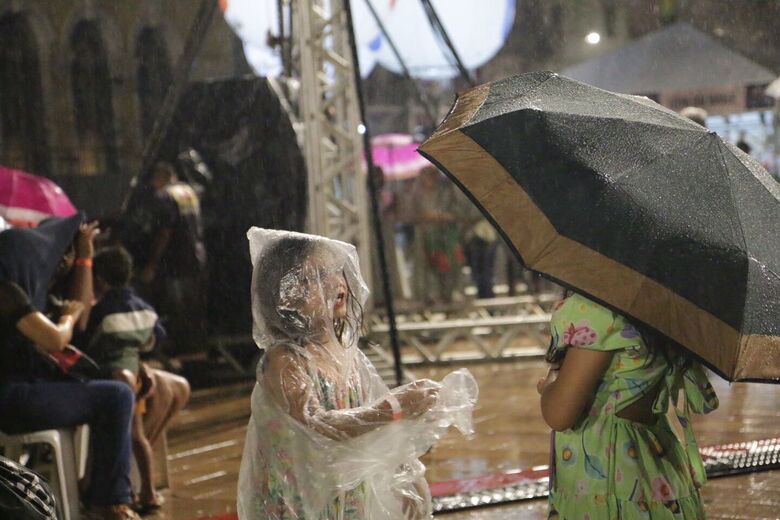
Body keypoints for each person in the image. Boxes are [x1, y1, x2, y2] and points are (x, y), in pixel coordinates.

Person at [237, 228, 478, 520]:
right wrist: (396, 407)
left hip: (345, 497)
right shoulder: (286, 360)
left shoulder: (348, 356)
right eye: (315, 278)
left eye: (334, 271)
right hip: (295, 500)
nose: (335, 283)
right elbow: (317, 425)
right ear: (285, 297)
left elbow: (371, 422)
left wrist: (404, 474)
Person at [0, 215, 140, 520]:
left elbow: (81, 313)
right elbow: (55, 338)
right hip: (11, 398)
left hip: (21, 391)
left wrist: (84, 258)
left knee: (113, 388)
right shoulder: (6, 291)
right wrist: (67, 317)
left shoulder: (28, 287)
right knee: (116, 397)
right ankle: (109, 501)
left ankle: (102, 494)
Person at [537, 292, 719, 519]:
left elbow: (559, 414)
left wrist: (550, 385)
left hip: (606, 471)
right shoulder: (666, 307)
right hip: (656, 460)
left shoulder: (599, 310)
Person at [80, 246, 167, 513]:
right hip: (135, 376)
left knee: (116, 436)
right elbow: (157, 336)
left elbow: (85, 342)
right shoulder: (143, 308)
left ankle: (115, 491)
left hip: (113, 379)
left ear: (99, 279)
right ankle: (149, 491)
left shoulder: (102, 311)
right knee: (138, 436)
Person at [138, 161, 207, 354]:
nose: (152, 186)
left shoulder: (165, 196)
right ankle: (196, 344)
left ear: (160, 178)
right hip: (196, 256)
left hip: (177, 259)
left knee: (176, 305)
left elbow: (165, 231)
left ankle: (180, 347)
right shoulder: (189, 192)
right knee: (193, 304)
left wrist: (152, 264)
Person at [411, 166, 466, 304]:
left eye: (432, 176)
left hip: (444, 235)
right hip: (425, 235)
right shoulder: (416, 195)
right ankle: (427, 296)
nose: (429, 179)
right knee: (426, 266)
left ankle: (448, 294)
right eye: (426, 176)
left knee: (446, 265)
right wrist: (425, 217)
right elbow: (412, 215)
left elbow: (457, 213)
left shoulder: (445, 193)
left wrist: (442, 216)